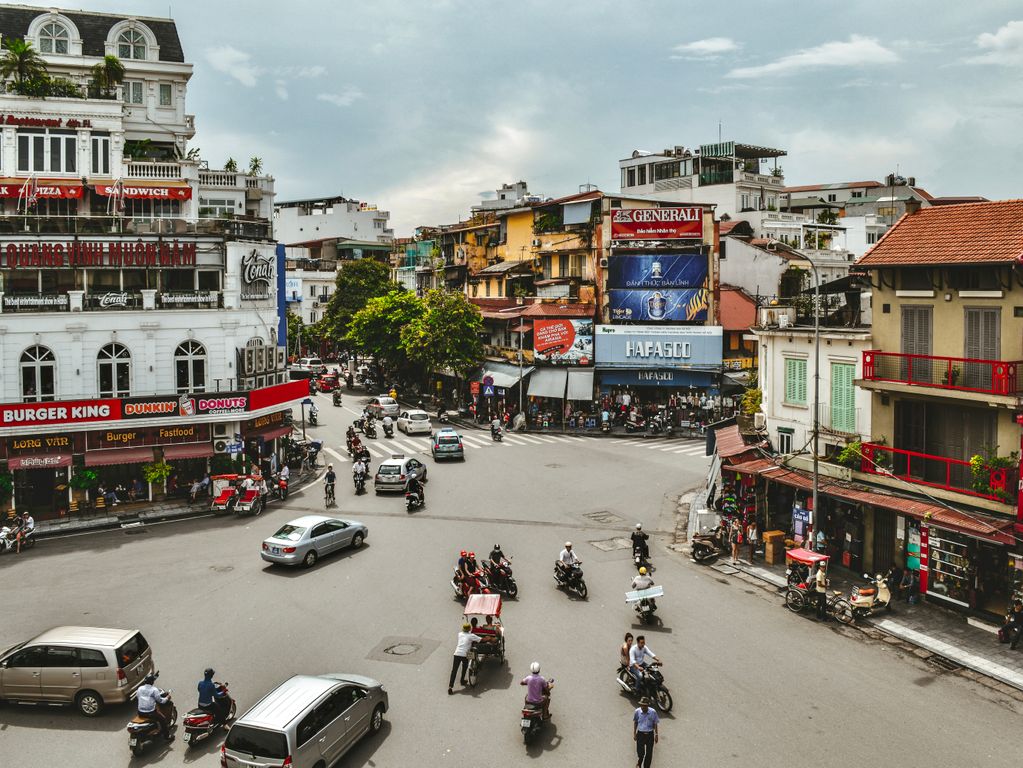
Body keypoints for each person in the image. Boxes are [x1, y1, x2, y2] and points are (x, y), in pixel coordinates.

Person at [137, 673, 172, 741]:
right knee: (163, 719)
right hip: (150, 712)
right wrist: (167, 697)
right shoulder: (154, 690)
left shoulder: (140, 688)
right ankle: (167, 737)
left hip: (140, 712)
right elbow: (161, 701)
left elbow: (138, 697)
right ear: (152, 682)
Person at [448, 623, 482, 694]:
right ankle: (462, 680)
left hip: (457, 653)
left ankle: (450, 687)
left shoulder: (459, 634)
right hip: (465, 654)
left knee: (454, 670)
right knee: (465, 666)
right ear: (469, 629)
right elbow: (481, 639)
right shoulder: (471, 636)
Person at [633, 696, 660, 768]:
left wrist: (656, 735)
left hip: (650, 735)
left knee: (649, 753)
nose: (643, 707)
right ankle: (639, 762)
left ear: (648, 705)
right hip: (640, 734)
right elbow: (635, 722)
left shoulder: (653, 712)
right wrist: (634, 733)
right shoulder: (637, 712)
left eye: (645, 706)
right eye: (642, 705)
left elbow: (655, 723)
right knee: (640, 752)